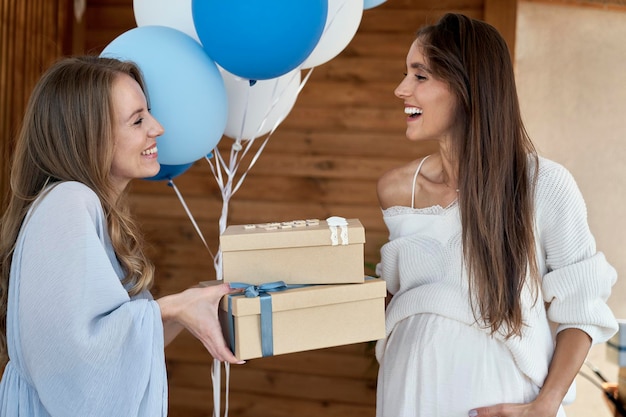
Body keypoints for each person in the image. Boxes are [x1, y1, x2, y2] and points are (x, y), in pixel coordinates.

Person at [375, 13, 618, 417]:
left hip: (503, 400)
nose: (401, 90)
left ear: (467, 85)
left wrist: (546, 404)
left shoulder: (544, 185)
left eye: (420, 76)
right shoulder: (397, 190)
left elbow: (582, 307)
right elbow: (397, 301)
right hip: (404, 396)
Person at [0, 56, 242, 416]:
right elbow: (77, 363)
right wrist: (173, 306)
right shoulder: (69, 202)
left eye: (150, 113)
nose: (157, 128)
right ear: (88, 134)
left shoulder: (84, 207)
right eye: (138, 120)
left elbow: (119, 356)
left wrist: (188, 305)